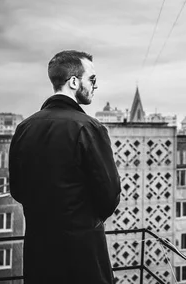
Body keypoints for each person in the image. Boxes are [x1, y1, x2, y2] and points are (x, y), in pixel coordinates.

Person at [9, 50, 121, 284]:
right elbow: (109, 195)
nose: (95, 86)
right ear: (73, 82)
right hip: (82, 255)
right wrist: (83, 221)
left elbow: (17, 190)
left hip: (39, 253)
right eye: (91, 79)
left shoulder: (24, 128)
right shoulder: (89, 127)